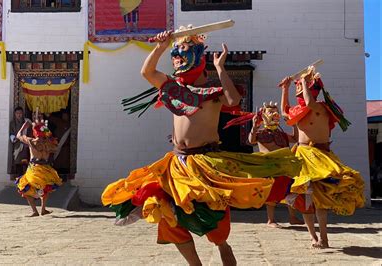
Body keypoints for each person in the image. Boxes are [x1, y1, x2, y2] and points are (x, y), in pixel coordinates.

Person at [102, 28, 301, 265]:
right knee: (168, 214)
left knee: (213, 215)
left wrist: (220, 68)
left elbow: (233, 100)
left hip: (205, 162)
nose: (178, 57)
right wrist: (161, 47)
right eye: (176, 53)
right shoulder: (174, 89)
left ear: (199, 59)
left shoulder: (214, 94)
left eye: (183, 52)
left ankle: (221, 244)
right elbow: (147, 71)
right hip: (176, 164)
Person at [279, 67, 365, 248]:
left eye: (300, 89)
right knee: (304, 201)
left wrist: (303, 80)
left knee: (319, 201)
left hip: (319, 157)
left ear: (310, 89)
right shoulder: (299, 110)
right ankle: (313, 237)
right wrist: (285, 89)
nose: (299, 94)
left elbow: (309, 103)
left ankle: (324, 238)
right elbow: (285, 112)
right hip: (302, 156)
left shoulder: (320, 108)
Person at [248, 102, 304, 228]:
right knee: (272, 192)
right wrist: (254, 126)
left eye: (275, 111)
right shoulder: (261, 133)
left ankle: (293, 217)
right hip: (269, 167)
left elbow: (295, 139)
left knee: (289, 190)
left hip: (284, 166)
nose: (274, 114)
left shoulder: (281, 134)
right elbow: (251, 140)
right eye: (270, 112)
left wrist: (293, 124)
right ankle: (270, 219)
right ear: (263, 116)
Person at [15, 115, 63, 217]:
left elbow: (18, 135)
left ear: (34, 132)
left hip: (34, 169)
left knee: (24, 187)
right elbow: (55, 142)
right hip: (46, 169)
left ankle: (34, 211)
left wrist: (24, 126)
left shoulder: (31, 141)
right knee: (45, 188)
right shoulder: (49, 142)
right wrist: (44, 127)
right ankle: (43, 209)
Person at [9, 107, 31, 180]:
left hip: (26, 144)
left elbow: (30, 133)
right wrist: (13, 138)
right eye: (17, 113)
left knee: (26, 162)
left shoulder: (26, 122)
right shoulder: (12, 123)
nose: (19, 115)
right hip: (17, 144)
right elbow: (11, 133)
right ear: (15, 114)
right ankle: (20, 179)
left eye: (20, 113)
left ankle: (26, 178)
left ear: (23, 114)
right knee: (17, 161)